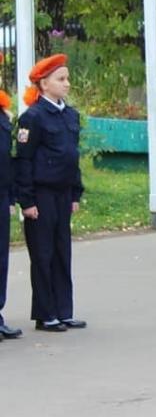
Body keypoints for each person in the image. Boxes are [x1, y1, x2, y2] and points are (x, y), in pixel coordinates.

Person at [15, 54, 88, 330]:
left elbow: (72, 156)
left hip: (62, 192)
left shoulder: (69, 115)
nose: (67, 84)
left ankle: (63, 309)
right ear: (44, 84)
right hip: (41, 195)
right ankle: (46, 314)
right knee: (43, 254)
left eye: (67, 78)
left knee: (62, 252)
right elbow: (24, 160)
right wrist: (27, 200)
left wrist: (74, 193)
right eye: (61, 79)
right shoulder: (32, 117)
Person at [0, 89, 22, 341]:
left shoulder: (3, 115)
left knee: (1, 258)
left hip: (1, 194)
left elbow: (9, 160)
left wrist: (11, 196)